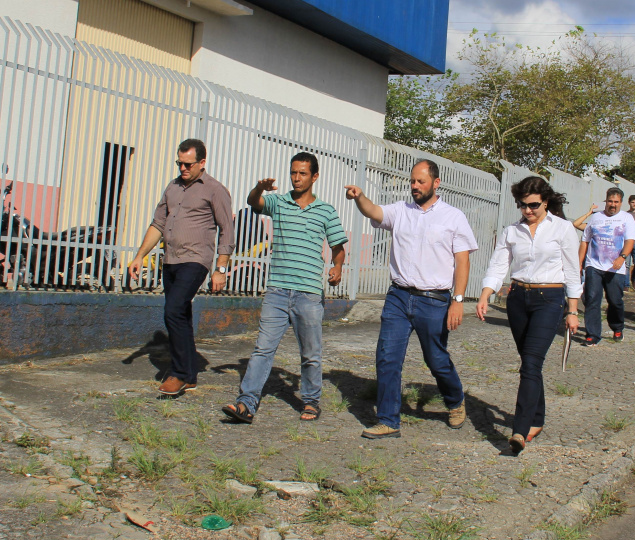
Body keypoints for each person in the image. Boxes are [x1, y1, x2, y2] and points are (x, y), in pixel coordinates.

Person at [345, 159, 478, 439]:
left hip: (435, 300)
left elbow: (462, 261)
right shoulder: (400, 211)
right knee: (387, 357)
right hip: (398, 296)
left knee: (436, 359)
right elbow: (375, 212)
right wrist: (360, 197)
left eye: (421, 181)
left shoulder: (453, 217)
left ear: (436, 183)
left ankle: (455, 401)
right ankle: (388, 419)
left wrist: (458, 300)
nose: (415, 186)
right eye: (412, 181)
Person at [222, 153, 347, 424]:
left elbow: (338, 247)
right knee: (262, 349)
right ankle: (246, 403)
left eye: (302, 173)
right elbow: (253, 202)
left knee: (310, 353)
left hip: (309, 294)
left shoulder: (326, 211)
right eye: (293, 172)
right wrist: (259, 188)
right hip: (277, 291)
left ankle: (311, 401)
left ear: (314, 177)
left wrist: (337, 268)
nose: (296, 178)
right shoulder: (278, 203)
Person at [476, 177, 581, 454]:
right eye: (522, 205)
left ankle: (520, 430)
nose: (527, 210)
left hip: (550, 299)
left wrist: (572, 310)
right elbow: (498, 266)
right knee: (529, 363)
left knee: (531, 363)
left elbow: (572, 271)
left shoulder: (563, 228)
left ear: (545, 202)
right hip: (518, 299)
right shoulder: (512, 231)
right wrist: (486, 294)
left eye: (533, 205)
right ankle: (537, 417)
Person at [128, 139, 235, 396]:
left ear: (202, 162)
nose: (183, 168)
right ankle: (189, 374)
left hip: (196, 259)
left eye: (188, 164)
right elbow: (158, 225)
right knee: (181, 315)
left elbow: (227, 230)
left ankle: (177, 373)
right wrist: (140, 255)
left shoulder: (214, 190)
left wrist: (220, 269)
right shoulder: (172, 187)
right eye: (179, 163)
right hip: (171, 259)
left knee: (173, 310)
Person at [579, 187, 635, 346]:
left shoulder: (626, 218)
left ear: (621, 203)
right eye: (610, 201)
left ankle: (617, 327)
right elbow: (585, 241)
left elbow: (630, 241)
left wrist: (622, 257)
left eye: (616, 202)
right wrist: (580, 263)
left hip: (615, 268)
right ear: (606, 201)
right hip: (594, 265)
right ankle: (592, 334)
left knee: (615, 301)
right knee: (592, 299)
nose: (613, 205)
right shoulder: (596, 218)